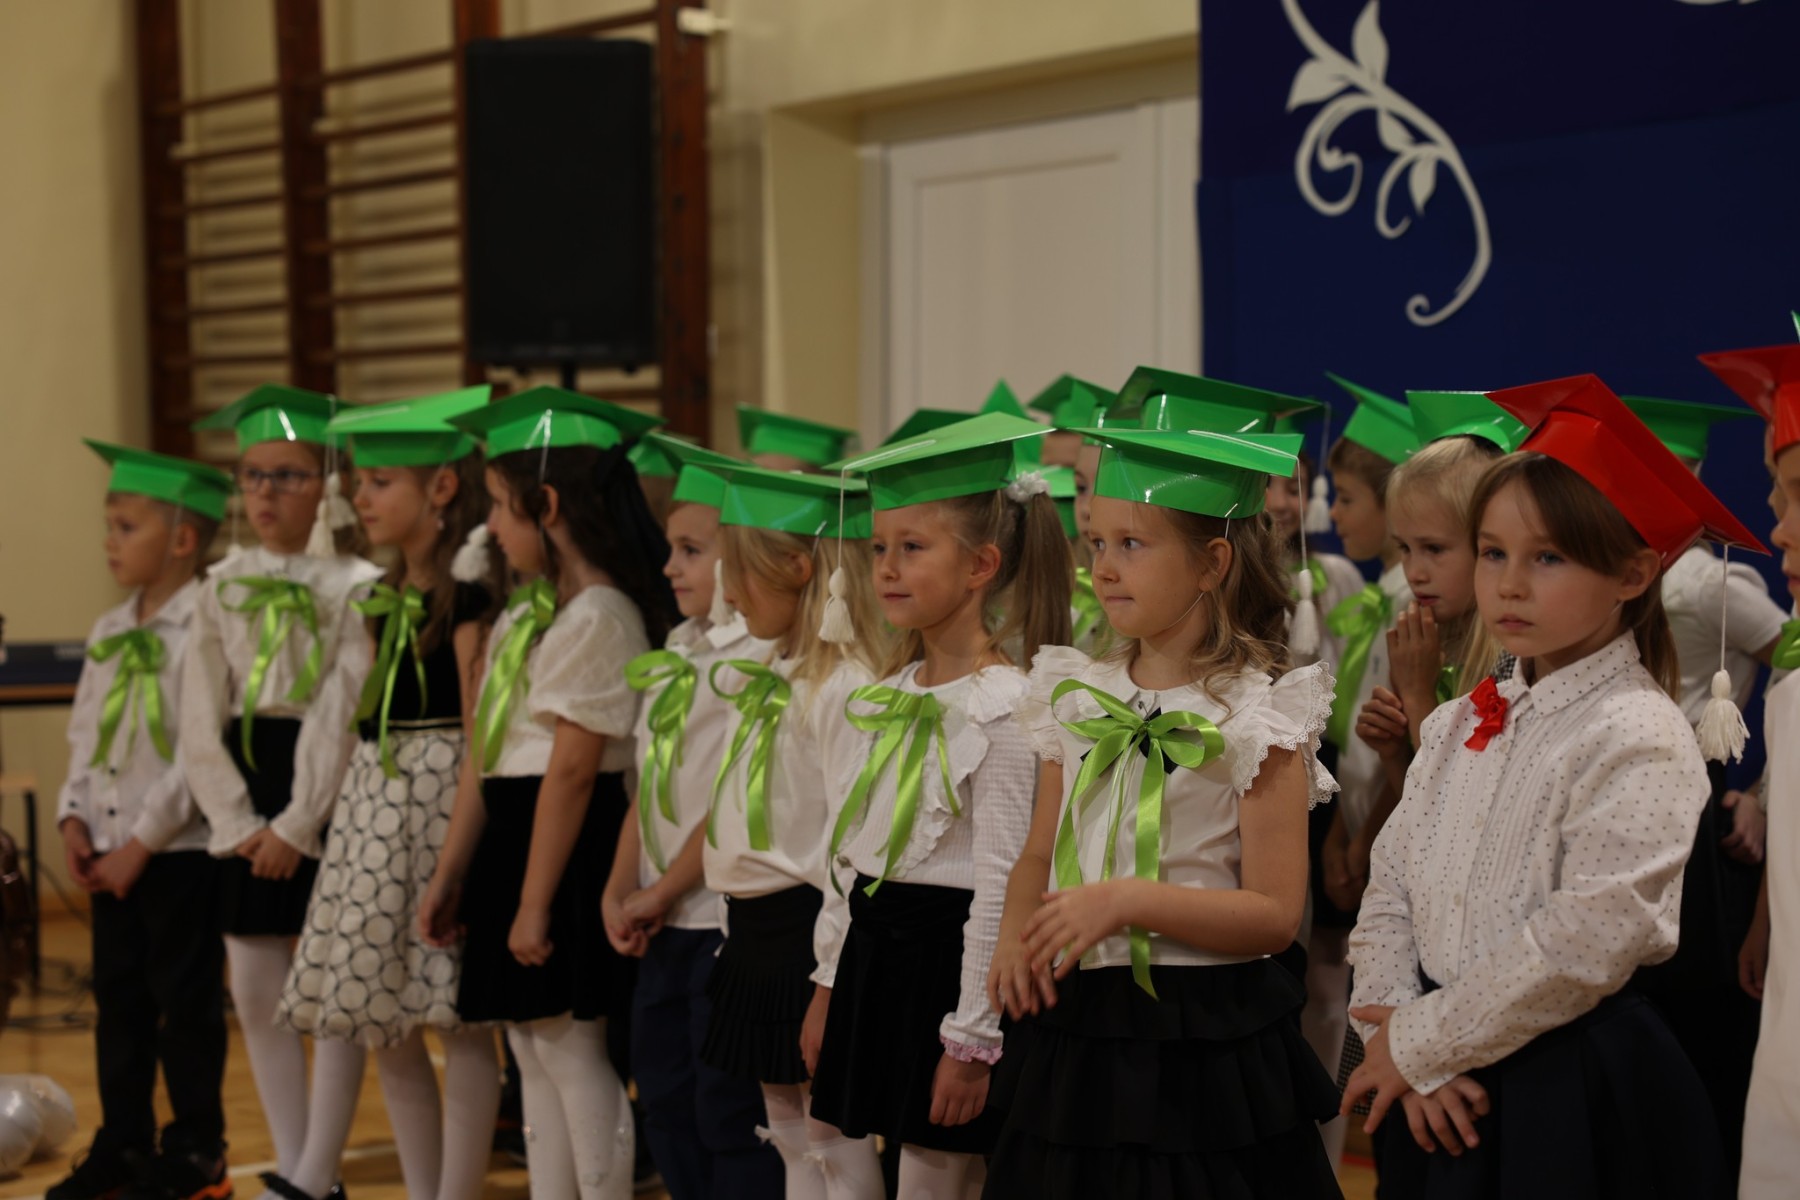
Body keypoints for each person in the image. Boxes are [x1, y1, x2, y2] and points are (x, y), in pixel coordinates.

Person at [1344, 373, 1744, 1197]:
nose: (1509, 584)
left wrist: (1420, 1044)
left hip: (1565, 1087)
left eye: (1548, 557)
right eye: (1493, 552)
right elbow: (1391, 889)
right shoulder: (1457, 721)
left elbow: (1582, 942)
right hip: (1433, 1087)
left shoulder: (1638, 731)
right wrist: (1391, 1027)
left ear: (1634, 573)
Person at [985, 425, 1343, 1198]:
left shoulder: (1259, 715)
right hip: (1079, 1020)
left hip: (1200, 1032)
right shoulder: (1074, 692)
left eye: (1132, 545)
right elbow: (1039, 851)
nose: (1104, 566)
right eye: (1096, 542)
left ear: (1212, 563)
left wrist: (1127, 901)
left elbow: (1275, 914)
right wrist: (1015, 931)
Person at [421, 387, 678, 1200]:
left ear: (550, 505)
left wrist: (534, 905)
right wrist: (452, 873)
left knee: (571, 1049)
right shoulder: (536, 611)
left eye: (502, 506)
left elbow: (570, 770)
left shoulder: (600, 614)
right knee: (533, 1049)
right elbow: (490, 753)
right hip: (520, 843)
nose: (492, 528)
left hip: (563, 852)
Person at [809, 414, 1070, 1198]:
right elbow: (853, 855)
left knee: (934, 1180)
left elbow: (1001, 884)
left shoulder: (1006, 708)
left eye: (913, 547)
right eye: (878, 548)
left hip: (948, 969)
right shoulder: (889, 694)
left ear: (981, 565)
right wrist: (828, 984)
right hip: (877, 957)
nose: (887, 568)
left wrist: (972, 1039)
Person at [265, 387, 503, 1200]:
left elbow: (478, 741)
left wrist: (453, 863)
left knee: (458, 1023)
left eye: (381, 482)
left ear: (441, 489)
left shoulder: (469, 601)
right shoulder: (380, 598)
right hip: (372, 814)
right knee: (384, 1021)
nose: (361, 498)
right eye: (360, 482)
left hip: (438, 816)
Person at [181, 385, 381, 1188]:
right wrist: (233, 821)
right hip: (244, 776)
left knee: (332, 986)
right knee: (257, 988)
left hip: (325, 783)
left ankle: (317, 1166)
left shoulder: (357, 583)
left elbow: (344, 704)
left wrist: (300, 822)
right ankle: (298, 1166)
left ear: (327, 483)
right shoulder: (222, 581)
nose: (265, 493)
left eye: (287, 476)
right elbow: (198, 711)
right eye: (253, 475)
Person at [601, 435, 785, 1199]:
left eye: (691, 551)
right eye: (671, 547)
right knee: (665, 1099)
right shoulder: (677, 647)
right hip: (661, 916)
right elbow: (649, 785)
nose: (669, 567)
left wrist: (663, 889)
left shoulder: (755, 659)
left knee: (726, 1112)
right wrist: (620, 887)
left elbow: (727, 801)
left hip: (712, 916)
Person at [50, 444, 233, 1200]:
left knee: (184, 1008)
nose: (110, 541)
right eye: (110, 525)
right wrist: (73, 818)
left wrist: (141, 843)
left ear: (182, 539)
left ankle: (196, 1150)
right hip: (108, 851)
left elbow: (200, 753)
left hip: (177, 851)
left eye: (126, 527)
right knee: (119, 1005)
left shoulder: (207, 627)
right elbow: (85, 736)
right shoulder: (108, 628)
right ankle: (123, 1141)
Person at [700, 463, 887, 1199]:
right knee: (786, 1134)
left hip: (809, 937)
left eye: (739, 572)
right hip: (756, 931)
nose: (728, 594)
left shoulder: (845, 686)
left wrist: (828, 981)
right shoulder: (768, 669)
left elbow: (850, 845)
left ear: (797, 568)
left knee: (832, 1138)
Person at [1622, 391, 1782, 1181]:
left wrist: (1766, 794)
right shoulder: (1619, 573)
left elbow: (1793, 662)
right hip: (1627, 795)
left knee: (1690, 1008)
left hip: (1690, 800)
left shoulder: (1704, 583)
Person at [1698, 330, 1800, 1198]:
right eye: (1778, 494)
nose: (1778, 526)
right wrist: (1767, 919)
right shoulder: (1794, 682)